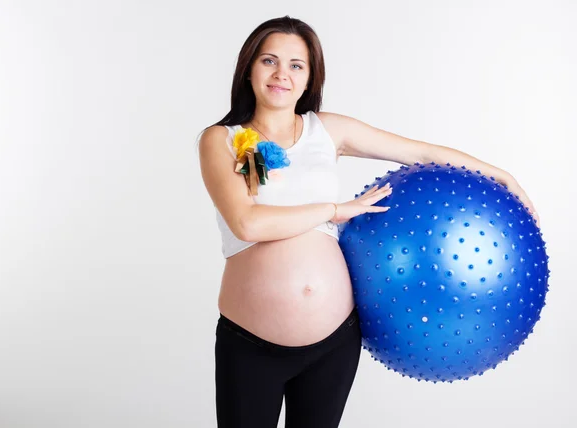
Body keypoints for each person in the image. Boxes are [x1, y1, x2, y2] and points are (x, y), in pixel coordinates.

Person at [197, 15, 539, 428]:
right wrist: (334, 211)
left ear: (309, 79)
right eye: (269, 61)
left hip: (334, 343)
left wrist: (502, 175)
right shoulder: (222, 139)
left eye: (296, 65)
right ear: (249, 66)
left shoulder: (328, 131)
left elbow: (421, 154)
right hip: (250, 343)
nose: (281, 74)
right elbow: (247, 223)